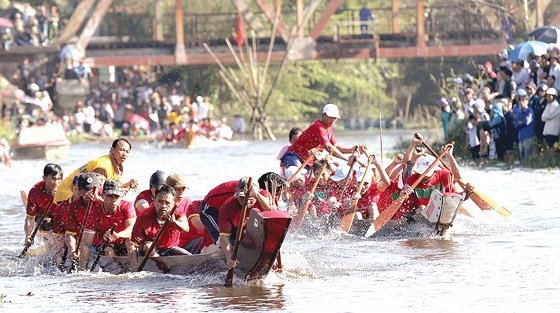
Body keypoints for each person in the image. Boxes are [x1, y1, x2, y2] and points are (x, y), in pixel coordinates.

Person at [54, 138, 138, 202]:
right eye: (122, 150)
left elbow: (109, 187)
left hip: (77, 195)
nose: (124, 154)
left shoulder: (116, 165)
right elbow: (94, 193)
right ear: (112, 150)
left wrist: (127, 184)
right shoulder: (103, 166)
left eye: (127, 152)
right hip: (65, 196)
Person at [128, 185, 191, 271]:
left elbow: (186, 228)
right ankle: (162, 267)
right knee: (148, 246)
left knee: (189, 258)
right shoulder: (144, 218)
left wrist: (174, 222)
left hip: (169, 249)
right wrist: (134, 267)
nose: (163, 206)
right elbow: (132, 246)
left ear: (174, 203)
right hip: (147, 251)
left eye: (167, 203)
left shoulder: (177, 213)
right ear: (154, 202)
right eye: (160, 202)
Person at [281, 103, 359, 170]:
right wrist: (346, 159)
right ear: (323, 115)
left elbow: (334, 147)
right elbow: (329, 148)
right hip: (294, 156)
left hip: (308, 161)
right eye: (330, 117)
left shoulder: (330, 129)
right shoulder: (318, 127)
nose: (333, 120)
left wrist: (350, 150)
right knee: (299, 178)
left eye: (335, 118)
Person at [218, 177, 273, 270]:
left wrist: (255, 194)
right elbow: (224, 237)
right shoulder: (227, 207)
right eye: (242, 197)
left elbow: (269, 209)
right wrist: (229, 258)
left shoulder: (264, 195)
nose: (246, 201)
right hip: (238, 232)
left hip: (260, 230)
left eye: (250, 198)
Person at [80, 180, 136, 267]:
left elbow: (132, 228)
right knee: (109, 251)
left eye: (116, 196)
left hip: (123, 241)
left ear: (120, 197)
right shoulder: (94, 212)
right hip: (104, 244)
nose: (113, 200)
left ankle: (135, 269)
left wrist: (118, 235)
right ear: (102, 195)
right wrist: (82, 269)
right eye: (110, 196)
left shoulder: (127, 207)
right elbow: (86, 244)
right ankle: (115, 270)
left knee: (130, 241)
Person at [63, 173, 101, 271]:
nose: (90, 193)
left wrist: (99, 200)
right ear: (79, 190)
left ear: (98, 188)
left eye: (93, 189)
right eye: (86, 190)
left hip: (105, 242)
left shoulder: (106, 198)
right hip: (85, 245)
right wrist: (73, 250)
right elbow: (70, 234)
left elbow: (116, 207)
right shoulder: (73, 207)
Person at [24, 163, 63, 250]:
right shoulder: (35, 191)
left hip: (60, 217)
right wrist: (28, 236)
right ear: (44, 178)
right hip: (44, 218)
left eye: (59, 179)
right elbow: (30, 218)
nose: (56, 183)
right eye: (53, 179)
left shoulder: (65, 188)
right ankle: (50, 243)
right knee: (45, 222)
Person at [513, 89, 534, 160]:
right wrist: (521, 122)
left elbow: (527, 122)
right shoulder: (519, 112)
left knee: (527, 154)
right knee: (521, 154)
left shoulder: (529, 111)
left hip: (528, 135)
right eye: (520, 101)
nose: (521, 102)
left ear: (527, 102)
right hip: (521, 136)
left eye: (523, 101)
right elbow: (516, 124)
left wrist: (521, 122)